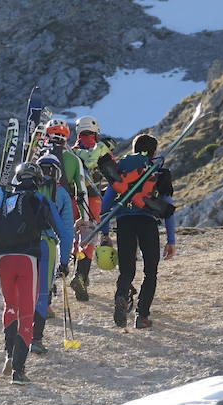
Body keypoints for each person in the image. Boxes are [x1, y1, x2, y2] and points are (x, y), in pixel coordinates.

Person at [0, 161, 72, 385]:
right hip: (28, 258)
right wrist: (64, 261)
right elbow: (63, 234)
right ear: (38, 181)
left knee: (10, 306)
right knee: (26, 312)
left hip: (3, 260)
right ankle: (18, 371)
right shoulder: (39, 200)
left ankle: (9, 355)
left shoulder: (1, 201)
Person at [100, 132, 176, 330]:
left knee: (127, 270)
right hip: (147, 223)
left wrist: (105, 233)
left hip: (124, 223)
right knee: (151, 271)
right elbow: (168, 208)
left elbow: (105, 205)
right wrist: (171, 239)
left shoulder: (120, 170)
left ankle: (121, 295)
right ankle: (142, 316)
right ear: (153, 152)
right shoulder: (157, 171)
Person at [69, 115, 118, 301]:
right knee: (89, 236)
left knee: (77, 235)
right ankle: (81, 275)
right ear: (96, 130)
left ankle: (79, 273)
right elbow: (114, 174)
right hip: (92, 198)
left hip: (72, 198)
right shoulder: (101, 149)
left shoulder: (70, 152)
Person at [31, 154, 75, 355]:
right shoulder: (62, 194)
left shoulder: (28, 191)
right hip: (47, 246)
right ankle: (36, 339)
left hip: (23, 245)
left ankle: (16, 338)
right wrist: (64, 262)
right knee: (42, 292)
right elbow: (66, 233)